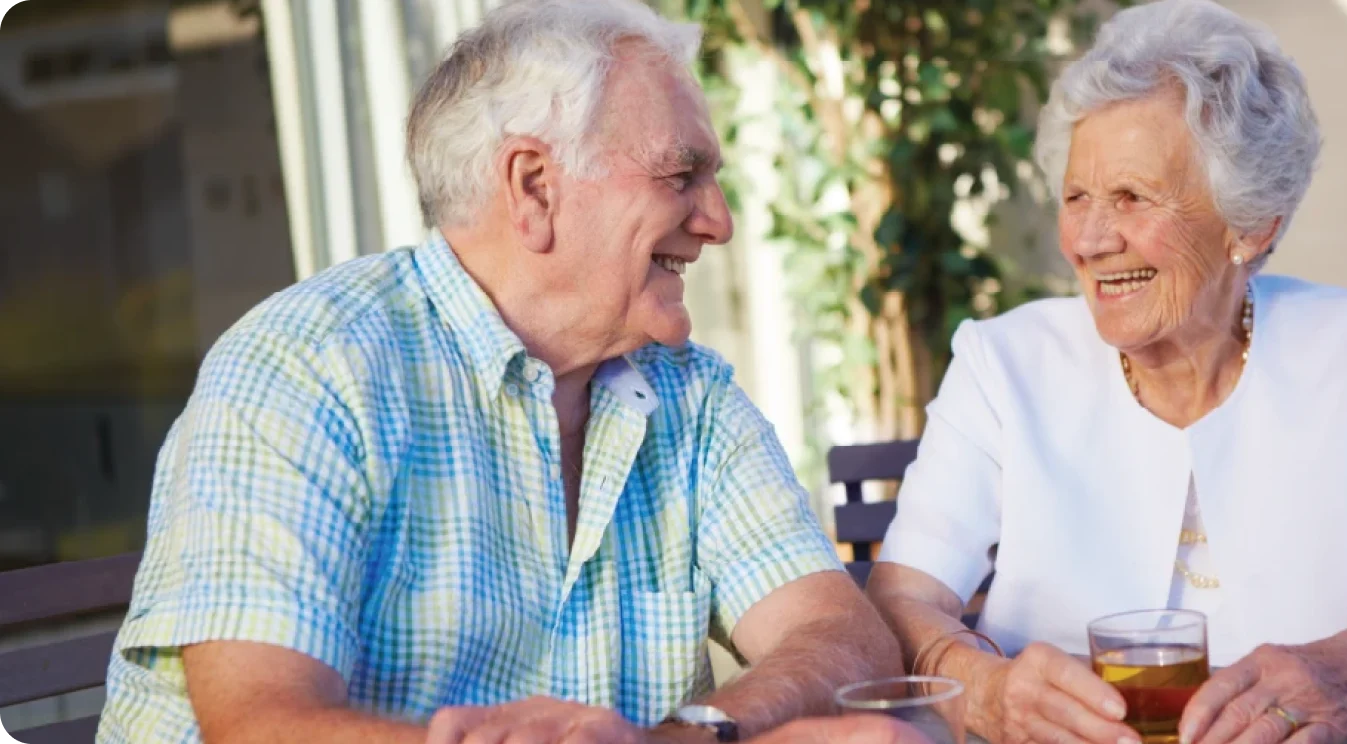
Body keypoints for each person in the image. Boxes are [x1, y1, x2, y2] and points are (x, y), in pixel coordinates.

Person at [96, 1, 902, 741]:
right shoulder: (307, 367)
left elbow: (844, 639)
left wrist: (687, 735)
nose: (718, 221)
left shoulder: (688, 393)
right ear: (534, 187)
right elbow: (263, 725)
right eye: (679, 175)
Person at [865, 2, 1347, 744]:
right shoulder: (1002, 362)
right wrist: (981, 689)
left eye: (1132, 197)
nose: (1092, 239)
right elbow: (900, 597)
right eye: (1076, 197)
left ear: (1250, 225)